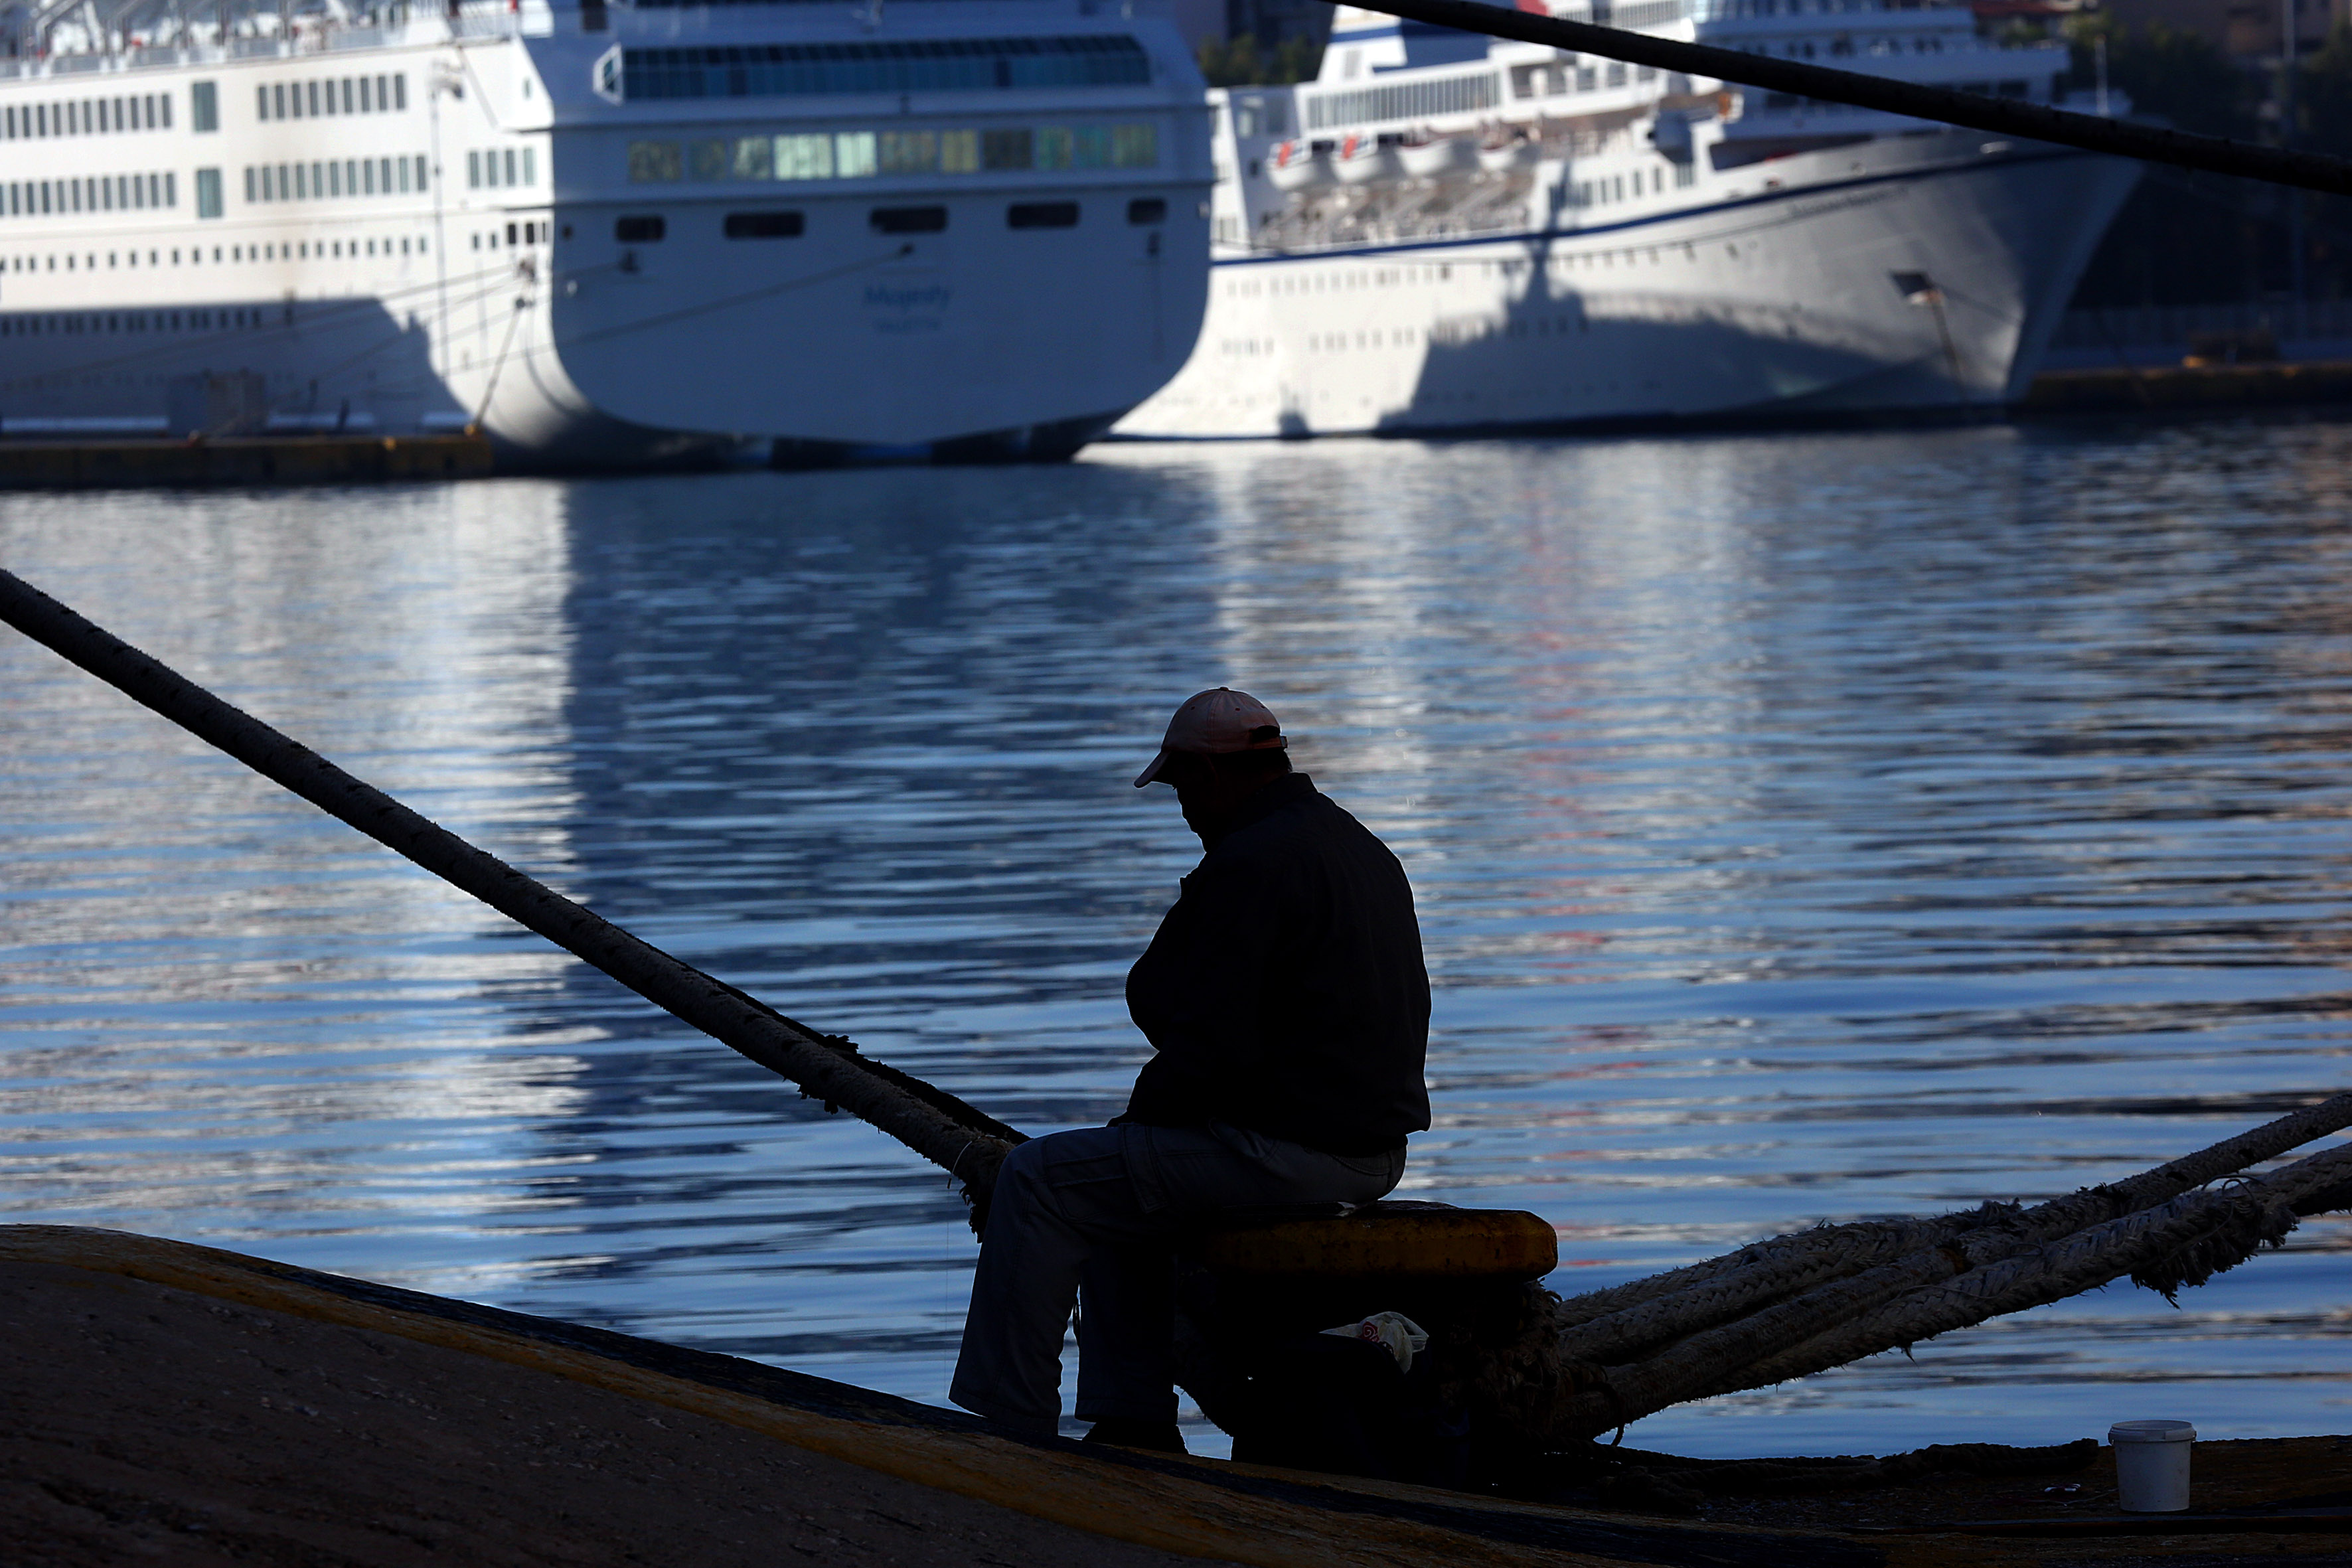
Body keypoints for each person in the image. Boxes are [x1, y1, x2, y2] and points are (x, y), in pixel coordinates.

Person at [948, 688, 1432, 1452]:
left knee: (1040, 1179)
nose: (1184, 812)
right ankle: (1130, 1420)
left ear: (1210, 775)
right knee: (1114, 1185)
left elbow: (1210, 1044)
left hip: (1298, 1151)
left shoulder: (1251, 861)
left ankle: (1011, 1430)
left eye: (1181, 789)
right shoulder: (1355, 844)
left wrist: (1141, 1121)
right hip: (1373, 1150)